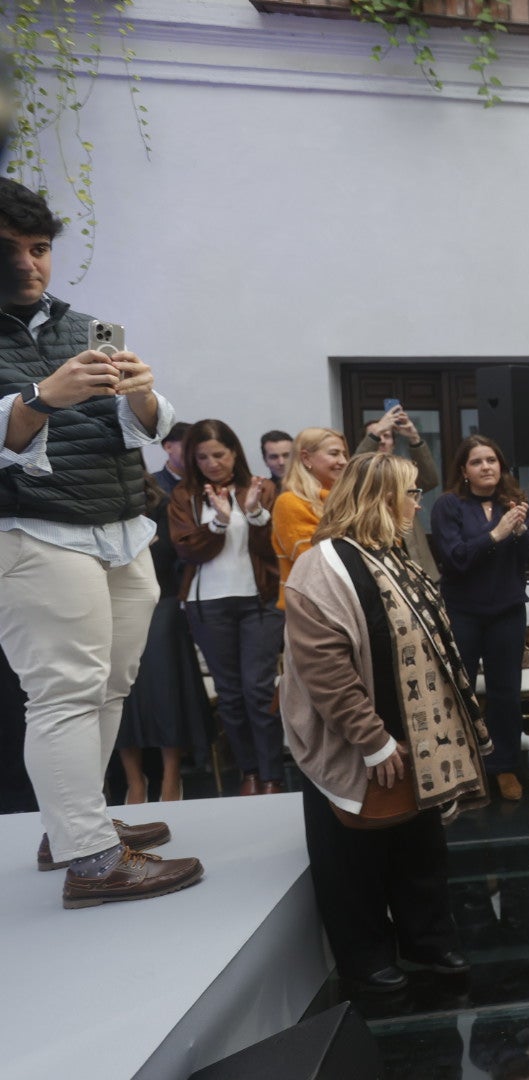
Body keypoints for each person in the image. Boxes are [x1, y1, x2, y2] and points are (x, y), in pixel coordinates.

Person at [0, 178, 203, 906]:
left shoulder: (83, 323)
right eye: (12, 249)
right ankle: (90, 859)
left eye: (41, 247)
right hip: (32, 531)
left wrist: (143, 395)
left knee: (112, 684)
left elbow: (145, 431)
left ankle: (75, 824)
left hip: (120, 530)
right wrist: (40, 397)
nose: (30, 264)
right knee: (63, 692)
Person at [281, 451, 488, 994]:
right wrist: (372, 740)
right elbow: (322, 667)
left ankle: (427, 939)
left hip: (418, 738)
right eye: (411, 493)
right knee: (351, 855)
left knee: (420, 847)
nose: (418, 503)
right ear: (381, 498)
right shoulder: (321, 562)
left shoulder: (392, 552)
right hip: (358, 740)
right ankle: (365, 954)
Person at [169, 419, 284, 795]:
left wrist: (252, 514)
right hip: (209, 605)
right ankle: (248, 771)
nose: (211, 463)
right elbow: (187, 549)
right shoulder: (185, 496)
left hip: (260, 601)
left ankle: (272, 774)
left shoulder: (261, 489)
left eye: (219, 454)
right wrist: (218, 523)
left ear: (235, 452)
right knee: (231, 695)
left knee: (259, 691)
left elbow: (274, 548)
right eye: (202, 456)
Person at [433, 434, 529, 803]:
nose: (486, 467)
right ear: (464, 471)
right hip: (463, 612)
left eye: (492, 460)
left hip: (507, 611)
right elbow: (456, 559)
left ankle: (504, 767)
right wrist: (496, 534)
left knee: (505, 694)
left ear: (501, 466)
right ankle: (462, 767)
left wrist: (520, 531)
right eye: (477, 462)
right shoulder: (448, 505)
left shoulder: (514, 503)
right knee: (459, 694)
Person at [115, 475, 212, 803]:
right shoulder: (94, 506)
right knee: (118, 693)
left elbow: (176, 552)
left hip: (162, 602)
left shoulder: (162, 505)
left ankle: (171, 774)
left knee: (165, 690)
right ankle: (135, 781)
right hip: (110, 602)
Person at [355, 404, 441, 580]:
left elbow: (430, 480)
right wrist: (378, 429)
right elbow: (356, 472)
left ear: (394, 443)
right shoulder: (358, 475)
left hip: (415, 557)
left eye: (387, 436)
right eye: (377, 436)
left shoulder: (403, 471)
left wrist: (414, 437)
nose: (382, 440)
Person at [271, 427, 349, 607]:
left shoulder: (344, 499)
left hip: (345, 602)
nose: (343, 461)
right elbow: (314, 563)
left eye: (344, 454)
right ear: (306, 458)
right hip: (312, 607)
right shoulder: (290, 502)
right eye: (334, 454)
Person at [152, 421, 189, 495]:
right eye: (187, 446)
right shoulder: (152, 485)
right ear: (168, 447)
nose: (193, 453)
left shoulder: (207, 481)